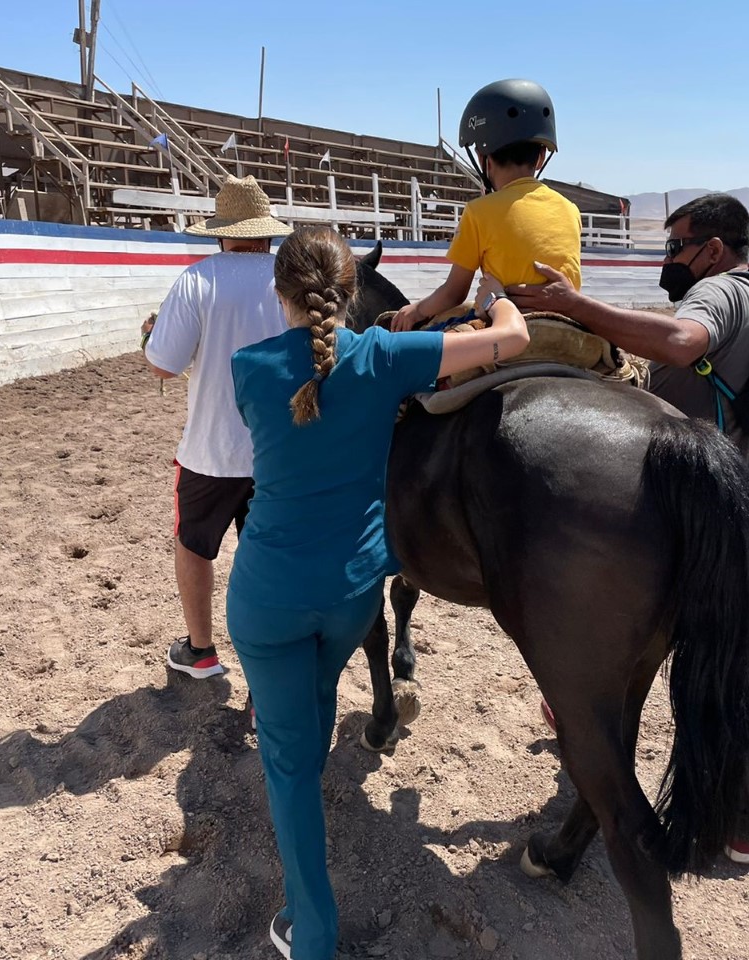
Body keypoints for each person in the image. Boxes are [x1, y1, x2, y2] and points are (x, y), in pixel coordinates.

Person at [226, 226, 529, 960]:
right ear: (353, 290)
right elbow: (512, 343)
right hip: (354, 592)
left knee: (289, 762)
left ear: (280, 293)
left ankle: (312, 931)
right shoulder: (387, 357)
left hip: (269, 596)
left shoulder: (248, 367)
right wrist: (497, 302)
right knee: (319, 702)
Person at [507, 192, 749, 866]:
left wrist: (576, 307)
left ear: (712, 249)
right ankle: (740, 822)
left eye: (675, 244)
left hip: (705, 503)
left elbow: (683, 341)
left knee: (721, 663)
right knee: (718, 654)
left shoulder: (725, 294)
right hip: (735, 495)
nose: (668, 258)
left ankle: (740, 816)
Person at [141, 175, 291, 681]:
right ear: (267, 233)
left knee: (193, 545)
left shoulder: (197, 279)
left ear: (222, 232)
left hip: (211, 450)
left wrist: (151, 336)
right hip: (278, 451)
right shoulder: (290, 280)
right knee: (270, 563)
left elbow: (164, 363)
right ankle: (266, 680)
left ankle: (200, 650)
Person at [391, 78, 582, 332]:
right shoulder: (571, 210)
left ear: (483, 159)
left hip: (508, 328)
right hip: (568, 328)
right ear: (541, 157)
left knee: (420, 352)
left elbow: (453, 293)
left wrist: (416, 310)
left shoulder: (479, 212)